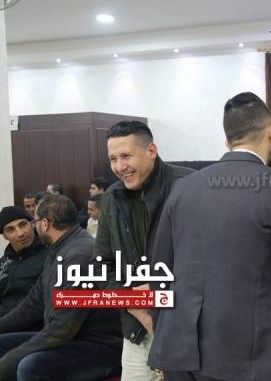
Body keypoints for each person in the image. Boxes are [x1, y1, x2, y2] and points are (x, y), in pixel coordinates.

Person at [148, 92, 271, 381]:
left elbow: (160, 271)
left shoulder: (183, 187)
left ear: (228, 140)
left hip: (179, 348)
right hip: (247, 351)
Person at [94, 121, 194, 380]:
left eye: (126, 156)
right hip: (136, 330)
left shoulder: (189, 186)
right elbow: (102, 266)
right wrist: (134, 303)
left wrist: (158, 292)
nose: (119, 167)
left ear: (151, 151)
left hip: (186, 327)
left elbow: (207, 260)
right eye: (113, 159)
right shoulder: (111, 198)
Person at [0, 195, 122, 381]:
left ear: (45, 224)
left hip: (101, 346)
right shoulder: (59, 249)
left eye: (34, 222)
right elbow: (32, 304)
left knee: (31, 367)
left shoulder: (79, 256)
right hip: (73, 337)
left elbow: (61, 329)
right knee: (2, 344)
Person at [0, 206, 47, 323]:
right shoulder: (1, 265)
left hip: (31, 325)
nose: (20, 233)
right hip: (0, 324)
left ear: (32, 224)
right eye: (10, 230)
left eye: (23, 225)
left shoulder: (50, 255)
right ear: (4, 236)